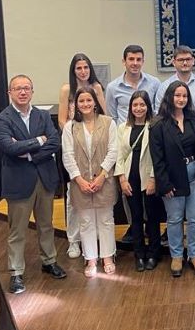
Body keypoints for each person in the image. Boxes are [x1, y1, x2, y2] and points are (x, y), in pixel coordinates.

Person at [0, 75, 66, 294]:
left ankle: (49, 261)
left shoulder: (43, 115)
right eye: (18, 89)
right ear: (10, 93)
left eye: (26, 88)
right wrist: (39, 140)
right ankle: (16, 273)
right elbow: (9, 147)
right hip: (18, 182)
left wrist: (29, 152)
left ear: (32, 91)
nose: (23, 92)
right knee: (17, 230)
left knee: (46, 224)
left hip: (44, 179)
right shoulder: (2, 119)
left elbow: (55, 142)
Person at [149, 81, 195, 278]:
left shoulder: (194, 118)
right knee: (174, 219)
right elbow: (157, 159)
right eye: (177, 95)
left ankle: (194, 254)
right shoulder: (158, 124)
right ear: (169, 97)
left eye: (184, 96)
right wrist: (163, 183)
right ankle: (176, 255)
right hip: (173, 176)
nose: (181, 99)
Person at [61, 86, 118, 277]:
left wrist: (102, 176)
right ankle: (91, 259)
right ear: (76, 105)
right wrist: (79, 179)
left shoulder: (108, 123)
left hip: (104, 181)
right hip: (80, 183)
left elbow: (113, 151)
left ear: (95, 102)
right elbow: (67, 156)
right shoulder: (70, 127)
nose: (85, 104)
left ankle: (107, 257)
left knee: (106, 220)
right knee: (85, 221)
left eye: (89, 100)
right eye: (81, 101)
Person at [57, 52, 107, 259]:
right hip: (74, 147)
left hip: (96, 147)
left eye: (86, 67)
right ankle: (74, 241)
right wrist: (76, 135)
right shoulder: (66, 89)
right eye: (79, 68)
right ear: (73, 70)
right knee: (74, 198)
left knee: (96, 193)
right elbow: (61, 120)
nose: (83, 71)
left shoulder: (97, 88)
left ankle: (93, 238)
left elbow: (104, 116)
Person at [114, 90, 162, 272]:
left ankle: (153, 253)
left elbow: (158, 156)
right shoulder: (123, 128)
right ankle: (139, 254)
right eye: (135, 105)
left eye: (142, 104)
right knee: (135, 218)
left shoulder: (154, 126)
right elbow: (119, 155)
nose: (139, 108)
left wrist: (153, 179)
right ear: (130, 107)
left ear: (148, 106)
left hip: (148, 177)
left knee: (152, 217)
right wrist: (121, 179)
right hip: (130, 177)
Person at [106, 44, 161, 125]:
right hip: (125, 134)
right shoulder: (113, 87)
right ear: (124, 62)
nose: (135, 63)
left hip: (149, 132)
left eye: (138, 59)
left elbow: (158, 112)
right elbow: (112, 117)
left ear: (143, 62)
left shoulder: (154, 83)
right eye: (131, 59)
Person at [154, 45, 195, 113]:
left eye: (188, 59)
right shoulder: (165, 86)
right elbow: (159, 113)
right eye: (180, 60)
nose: (185, 63)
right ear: (174, 62)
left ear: (193, 61)